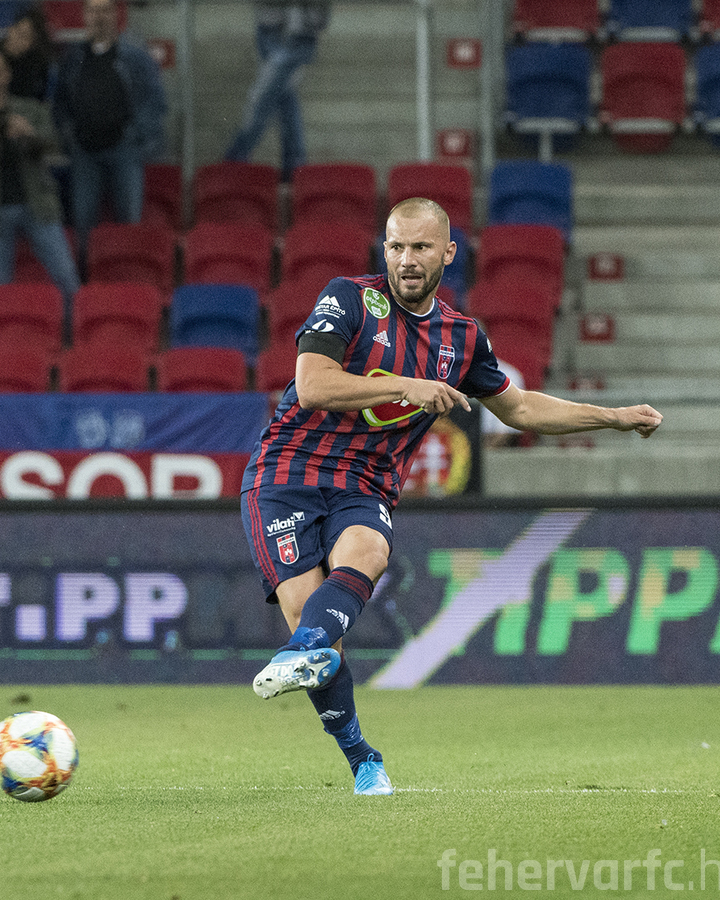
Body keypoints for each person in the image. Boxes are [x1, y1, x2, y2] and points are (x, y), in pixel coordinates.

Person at [240, 198, 663, 796]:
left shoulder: (462, 338)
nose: (406, 260)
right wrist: (408, 386)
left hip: (365, 482)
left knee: (367, 554)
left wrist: (613, 416)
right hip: (286, 474)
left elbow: (520, 408)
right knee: (310, 617)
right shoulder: (349, 299)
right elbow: (312, 386)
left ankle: (305, 650)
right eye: (395, 246)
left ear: (447, 252)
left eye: (420, 247)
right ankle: (361, 755)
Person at [0, 46, 79, 306]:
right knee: (0, 285)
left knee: (66, 275)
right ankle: (6, 331)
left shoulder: (31, 109)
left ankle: (76, 330)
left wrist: (29, 135)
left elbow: (55, 150)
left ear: (7, 74)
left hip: (38, 203)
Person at [52, 0, 166, 242]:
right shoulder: (73, 58)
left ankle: (129, 266)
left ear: (115, 15)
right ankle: (86, 268)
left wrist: (137, 136)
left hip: (124, 150)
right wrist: (69, 136)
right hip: (84, 152)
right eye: (93, 11)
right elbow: (61, 103)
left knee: (129, 223)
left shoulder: (136, 57)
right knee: (83, 225)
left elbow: (154, 100)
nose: (99, 16)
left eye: (105, 10)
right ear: (85, 15)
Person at [224, 0, 330, 179]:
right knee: (283, 97)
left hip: (298, 33)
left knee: (264, 97)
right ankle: (294, 166)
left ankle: (235, 159)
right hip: (273, 30)